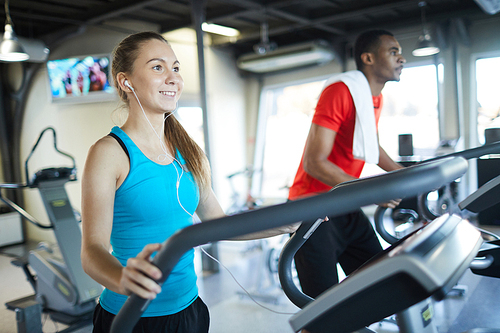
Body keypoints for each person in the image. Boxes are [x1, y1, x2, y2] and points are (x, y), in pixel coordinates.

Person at [80, 31, 297, 333]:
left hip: (190, 310)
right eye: (158, 67)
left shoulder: (189, 152)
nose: (173, 78)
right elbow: (92, 250)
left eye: (176, 68)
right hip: (131, 317)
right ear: (125, 81)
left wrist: (287, 223)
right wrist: (122, 279)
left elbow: (219, 222)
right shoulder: (109, 153)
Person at [288, 29, 406, 300]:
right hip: (313, 207)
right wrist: (371, 191)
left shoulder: (374, 97)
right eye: (393, 52)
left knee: (380, 282)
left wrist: (407, 175)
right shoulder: (340, 90)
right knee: (320, 308)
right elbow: (314, 164)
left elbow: (371, 145)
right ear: (368, 58)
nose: (402, 58)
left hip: (344, 203)